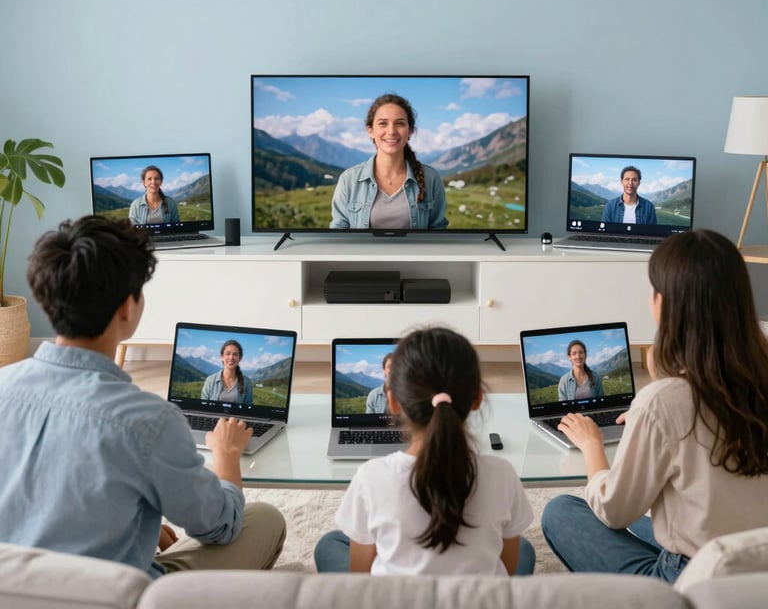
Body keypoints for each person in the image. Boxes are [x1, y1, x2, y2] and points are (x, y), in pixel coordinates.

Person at [0, 216, 285, 578]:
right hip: (117, 596)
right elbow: (220, 527)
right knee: (263, 518)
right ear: (127, 307)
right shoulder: (148, 420)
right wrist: (227, 457)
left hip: (13, 591)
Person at [541, 229, 768, 583]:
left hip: (688, 580)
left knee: (561, 511)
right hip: (756, 560)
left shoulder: (664, 401)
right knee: (652, 522)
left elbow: (614, 511)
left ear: (663, 303)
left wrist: (591, 446)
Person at [314, 326, 535, 576]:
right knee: (524, 548)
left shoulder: (370, 477)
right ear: (477, 398)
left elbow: (361, 577)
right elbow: (509, 564)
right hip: (480, 598)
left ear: (393, 402)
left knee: (330, 544)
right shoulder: (502, 474)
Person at [330, 94, 448, 230]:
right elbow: (338, 234)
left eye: (400, 123)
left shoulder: (431, 178)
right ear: (370, 131)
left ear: (410, 130)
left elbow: (438, 232)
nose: (391, 131)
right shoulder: (349, 179)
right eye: (383, 124)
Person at [201, 339, 255, 404]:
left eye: (235, 354)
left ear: (239, 358)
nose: (231, 357)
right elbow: (203, 405)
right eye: (228, 354)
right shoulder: (210, 380)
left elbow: (248, 408)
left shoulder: (247, 383)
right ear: (222, 357)